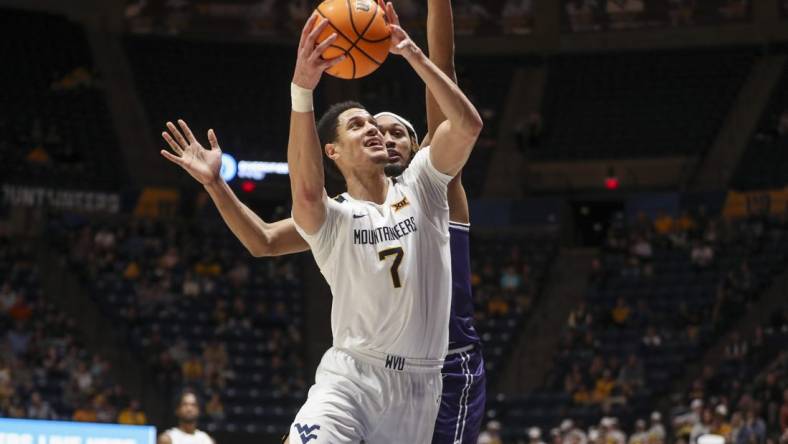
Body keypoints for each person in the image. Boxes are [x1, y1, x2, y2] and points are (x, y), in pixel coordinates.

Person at [160, 1, 485, 443]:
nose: (378, 132)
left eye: (391, 130)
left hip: (430, 378)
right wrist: (300, 90)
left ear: (415, 144)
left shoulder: (427, 186)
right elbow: (272, 234)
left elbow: (462, 119)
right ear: (333, 151)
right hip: (354, 373)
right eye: (364, 125)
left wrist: (412, 52)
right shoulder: (335, 216)